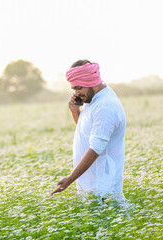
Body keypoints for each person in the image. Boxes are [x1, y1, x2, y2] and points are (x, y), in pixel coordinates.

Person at [50, 60, 126, 202]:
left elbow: (96, 148)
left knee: (111, 220)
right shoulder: (93, 100)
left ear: (92, 81)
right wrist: (75, 112)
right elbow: (88, 132)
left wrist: (70, 179)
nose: (76, 93)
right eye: (73, 89)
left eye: (79, 88)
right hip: (92, 186)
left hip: (103, 188)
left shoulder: (105, 107)